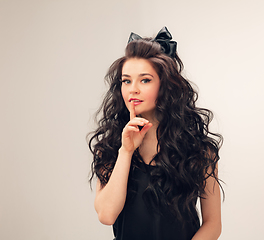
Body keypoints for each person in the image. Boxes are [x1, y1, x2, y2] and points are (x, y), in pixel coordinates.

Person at [88, 26, 223, 240]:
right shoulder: (112, 147)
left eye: (145, 80)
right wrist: (126, 151)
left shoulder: (200, 150)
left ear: (165, 85)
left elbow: (213, 223)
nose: (133, 89)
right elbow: (106, 215)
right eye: (126, 80)